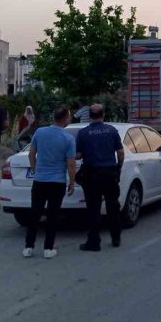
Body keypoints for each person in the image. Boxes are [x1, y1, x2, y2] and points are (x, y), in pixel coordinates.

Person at [23, 106, 77, 259]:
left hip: (40, 180)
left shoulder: (40, 132)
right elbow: (71, 163)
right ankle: (48, 248)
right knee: (52, 216)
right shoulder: (68, 138)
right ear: (65, 118)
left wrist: (35, 169)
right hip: (57, 182)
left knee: (35, 214)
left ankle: (28, 247)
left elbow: (32, 153)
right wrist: (72, 182)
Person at [76, 104, 124, 251]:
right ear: (103, 115)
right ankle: (116, 237)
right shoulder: (112, 130)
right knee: (112, 206)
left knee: (93, 208)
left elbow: (77, 155)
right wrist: (118, 168)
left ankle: (94, 242)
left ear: (90, 116)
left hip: (91, 174)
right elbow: (120, 153)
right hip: (109, 172)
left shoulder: (83, 133)